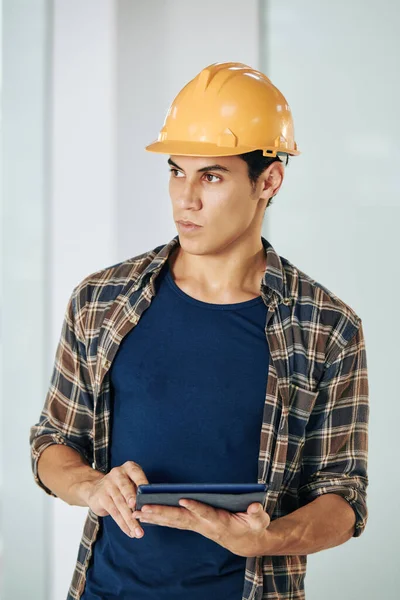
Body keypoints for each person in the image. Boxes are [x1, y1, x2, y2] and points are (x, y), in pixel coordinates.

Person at [29, 62, 369, 600]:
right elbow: (52, 443)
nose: (184, 198)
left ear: (269, 180)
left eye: (211, 175)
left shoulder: (325, 328)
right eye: (175, 171)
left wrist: (268, 538)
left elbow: (344, 498)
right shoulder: (101, 300)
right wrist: (93, 486)